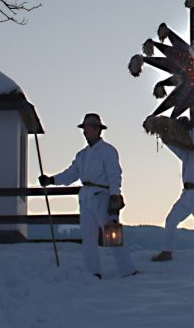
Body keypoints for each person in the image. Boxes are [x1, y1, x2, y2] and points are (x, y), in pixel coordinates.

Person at [39, 113, 137, 279]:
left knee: (113, 235)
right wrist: (51, 180)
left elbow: (115, 175)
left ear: (97, 130)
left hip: (102, 197)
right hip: (85, 199)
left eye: (88, 128)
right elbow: (70, 174)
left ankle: (127, 271)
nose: (85, 132)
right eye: (84, 128)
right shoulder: (81, 155)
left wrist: (115, 195)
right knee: (88, 238)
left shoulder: (108, 151)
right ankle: (93, 272)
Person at [152, 117, 194, 264]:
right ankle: (167, 252)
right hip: (187, 193)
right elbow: (176, 149)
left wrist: (191, 129)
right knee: (171, 220)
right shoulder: (188, 155)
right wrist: (163, 135)